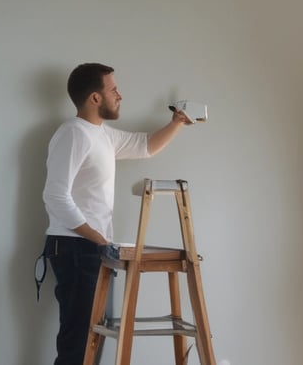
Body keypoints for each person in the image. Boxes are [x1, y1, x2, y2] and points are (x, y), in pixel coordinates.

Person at [41, 62, 193, 365]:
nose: (119, 95)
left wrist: (176, 123)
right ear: (95, 98)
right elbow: (55, 195)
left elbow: (145, 146)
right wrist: (96, 237)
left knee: (92, 342)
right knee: (79, 344)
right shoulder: (73, 134)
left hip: (91, 248)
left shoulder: (103, 136)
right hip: (75, 246)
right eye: (113, 89)